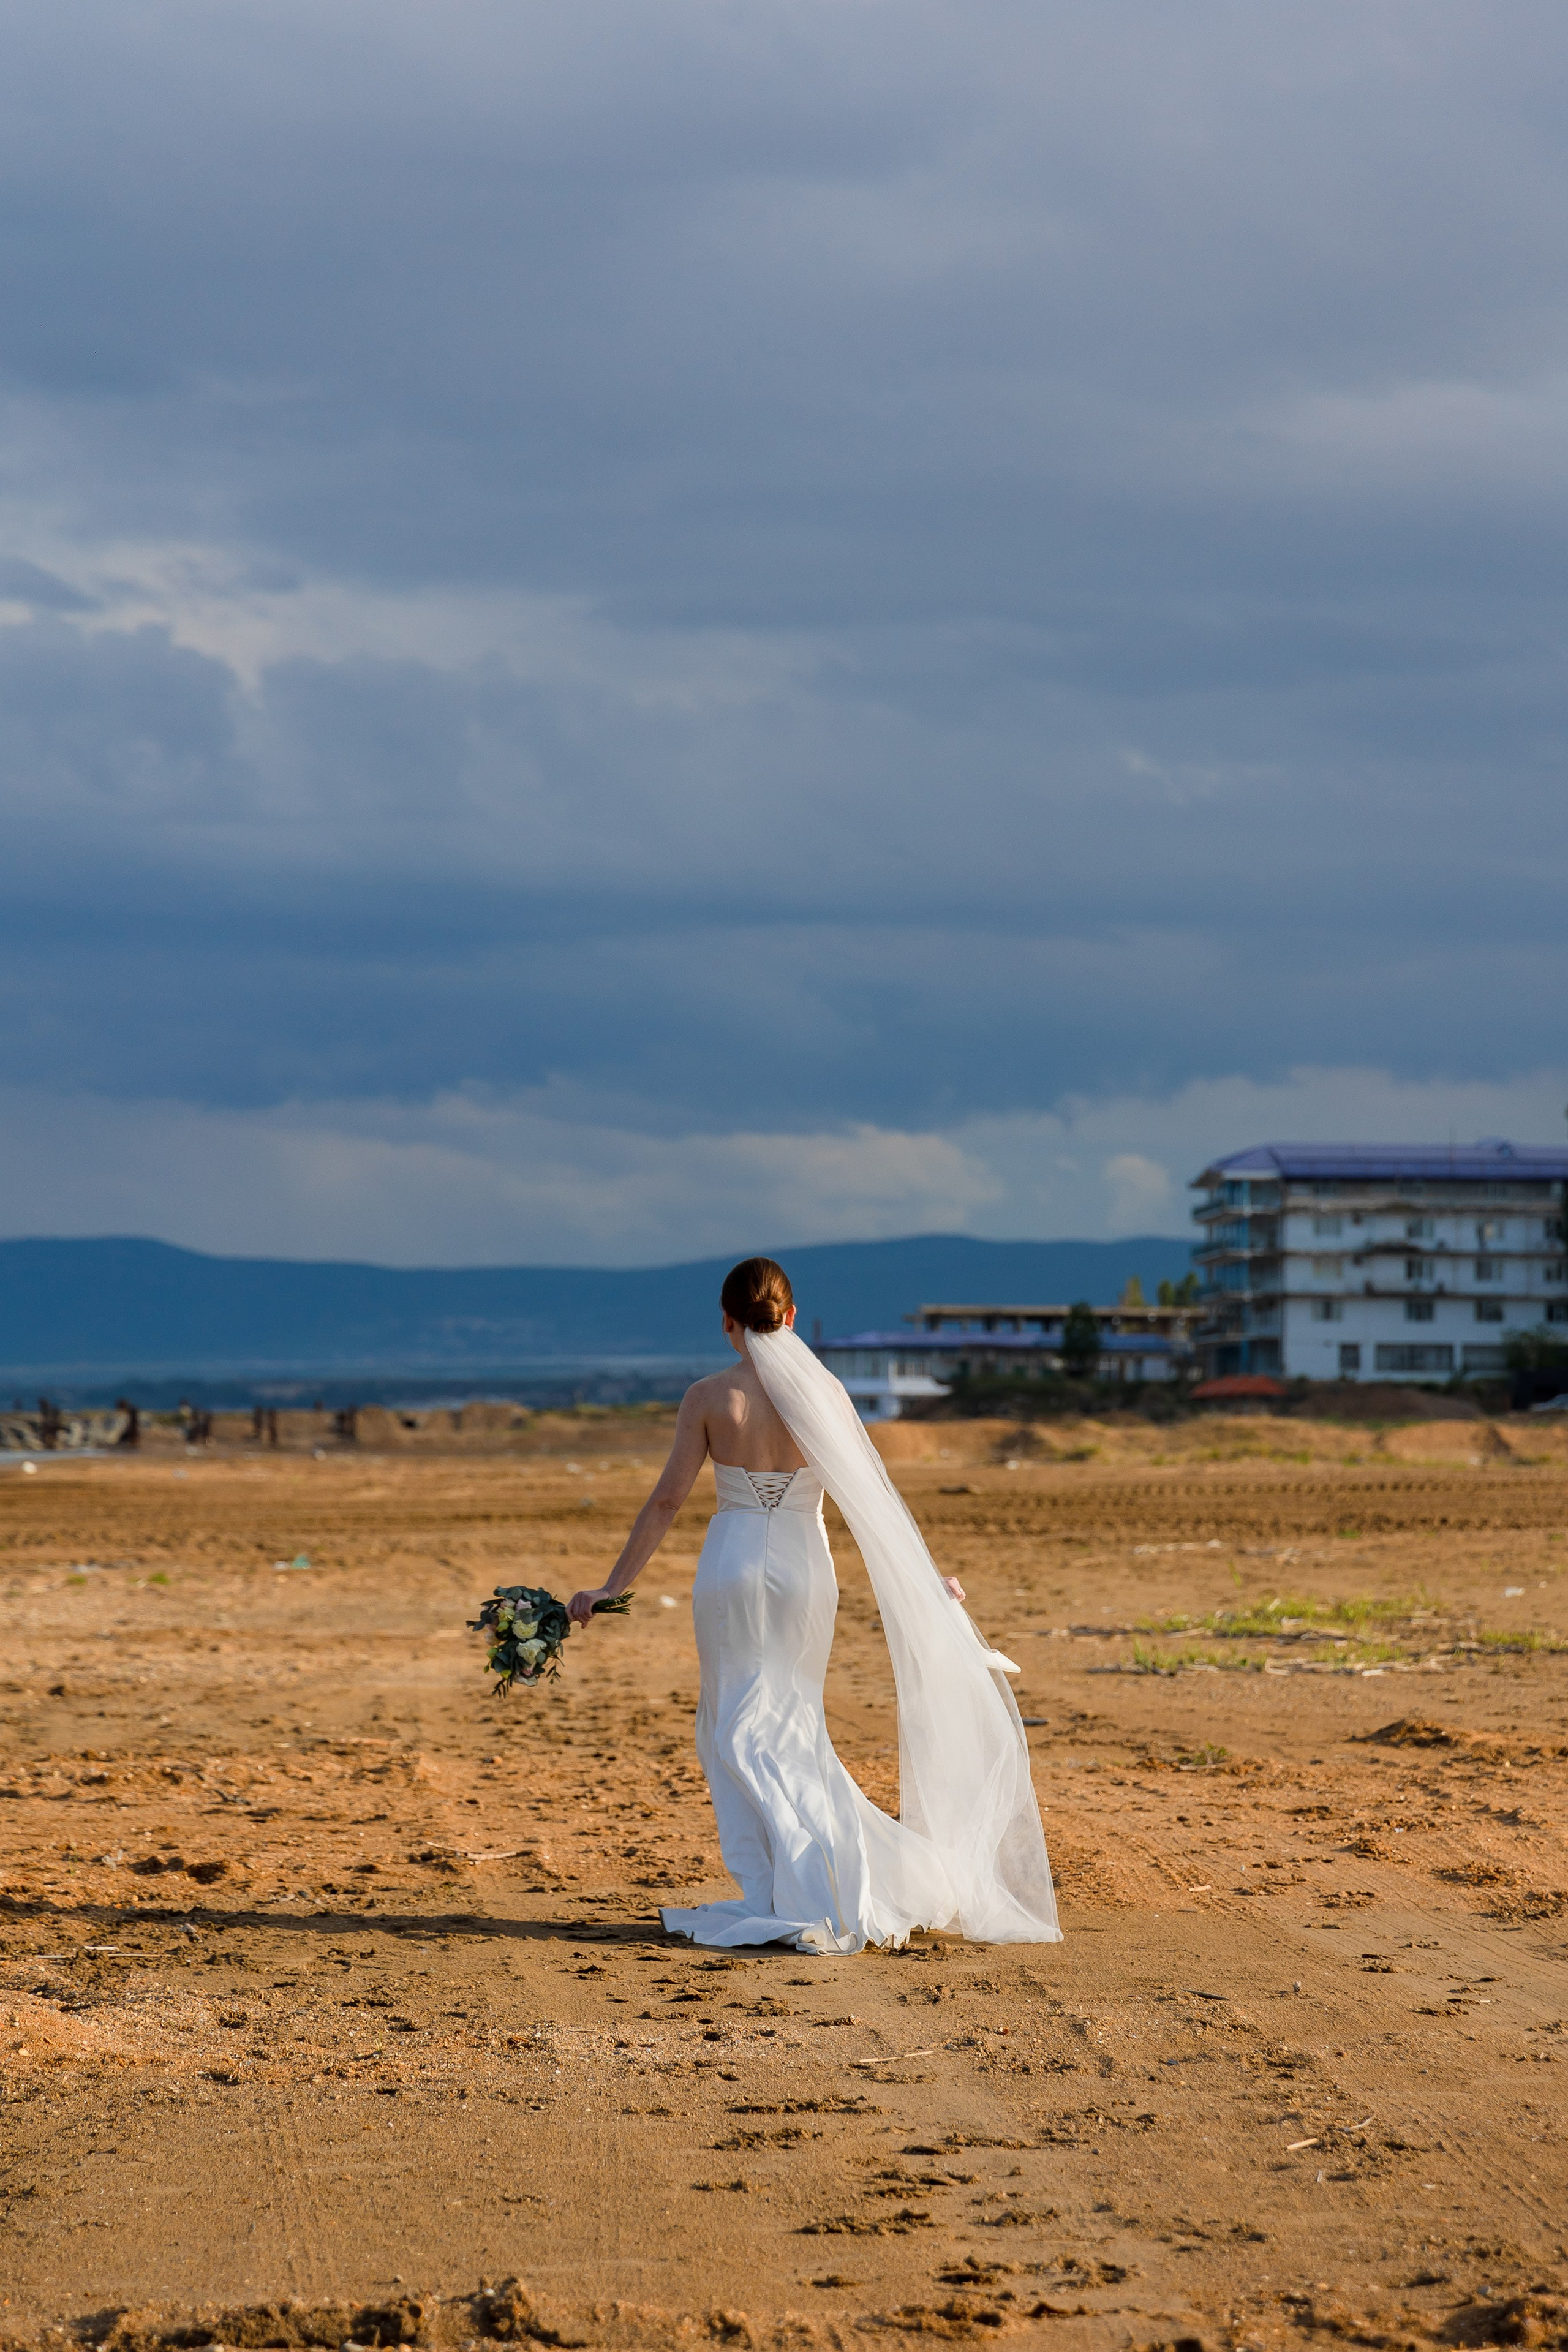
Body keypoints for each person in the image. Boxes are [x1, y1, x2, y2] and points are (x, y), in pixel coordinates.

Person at [567, 1256, 1059, 1954]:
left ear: (728, 1323)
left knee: (733, 1725)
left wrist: (611, 1587)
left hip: (732, 1566)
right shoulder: (824, 1393)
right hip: (804, 1566)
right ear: (791, 1317)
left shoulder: (708, 1397)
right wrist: (923, 1580)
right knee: (792, 1719)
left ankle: (782, 1888)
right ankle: (811, 1880)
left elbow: (667, 1501)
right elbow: (870, 1502)